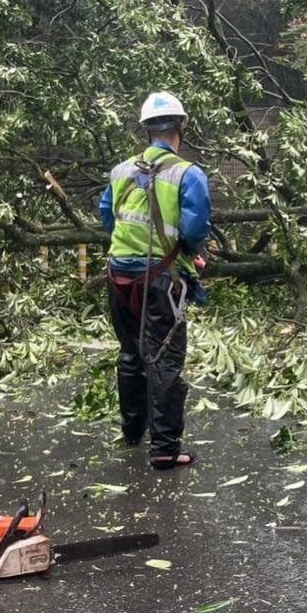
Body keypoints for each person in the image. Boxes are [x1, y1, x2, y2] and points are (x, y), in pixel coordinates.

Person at [99, 92, 211, 470]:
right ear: (181, 127)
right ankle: (164, 448)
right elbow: (195, 228)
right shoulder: (188, 173)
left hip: (118, 276)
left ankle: (133, 432)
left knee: (131, 353)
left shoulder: (119, 172)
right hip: (160, 279)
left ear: (146, 130)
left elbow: (108, 216)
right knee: (165, 358)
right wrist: (192, 251)